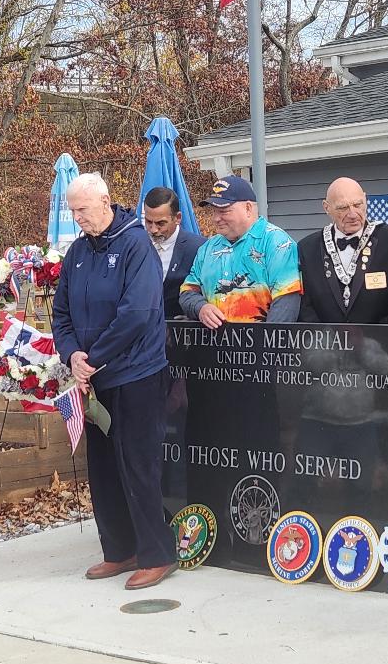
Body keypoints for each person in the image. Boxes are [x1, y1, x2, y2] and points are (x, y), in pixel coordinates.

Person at [52, 173, 178, 590]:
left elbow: (137, 313)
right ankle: (119, 550)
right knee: (103, 468)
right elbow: (62, 312)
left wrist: (95, 359)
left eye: (83, 210)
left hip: (136, 373)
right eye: (72, 212)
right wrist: (72, 354)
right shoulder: (77, 253)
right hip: (92, 378)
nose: (78, 218)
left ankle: (156, 553)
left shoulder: (135, 243)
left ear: (105, 201)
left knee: (138, 466)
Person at [180, 175, 301, 327]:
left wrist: (266, 345)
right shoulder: (207, 248)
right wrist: (200, 307)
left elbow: (286, 303)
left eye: (224, 211)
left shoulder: (277, 242)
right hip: (213, 347)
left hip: (260, 346)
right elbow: (187, 291)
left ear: (248, 208)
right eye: (214, 211)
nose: (216, 218)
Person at [298, 177, 388, 324]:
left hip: (381, 343)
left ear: (365, 199)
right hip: (326, 343)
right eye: (343, 208)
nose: (352, 214)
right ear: (326, 208)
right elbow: (305, 306)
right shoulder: (307, 248)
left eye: (358, 205)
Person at [143, 186, 205, 319]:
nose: (153, 229)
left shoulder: (199, 248)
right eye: (148, 222)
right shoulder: (136, 245)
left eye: (160, 223)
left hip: (179, 333)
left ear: (177, 218)